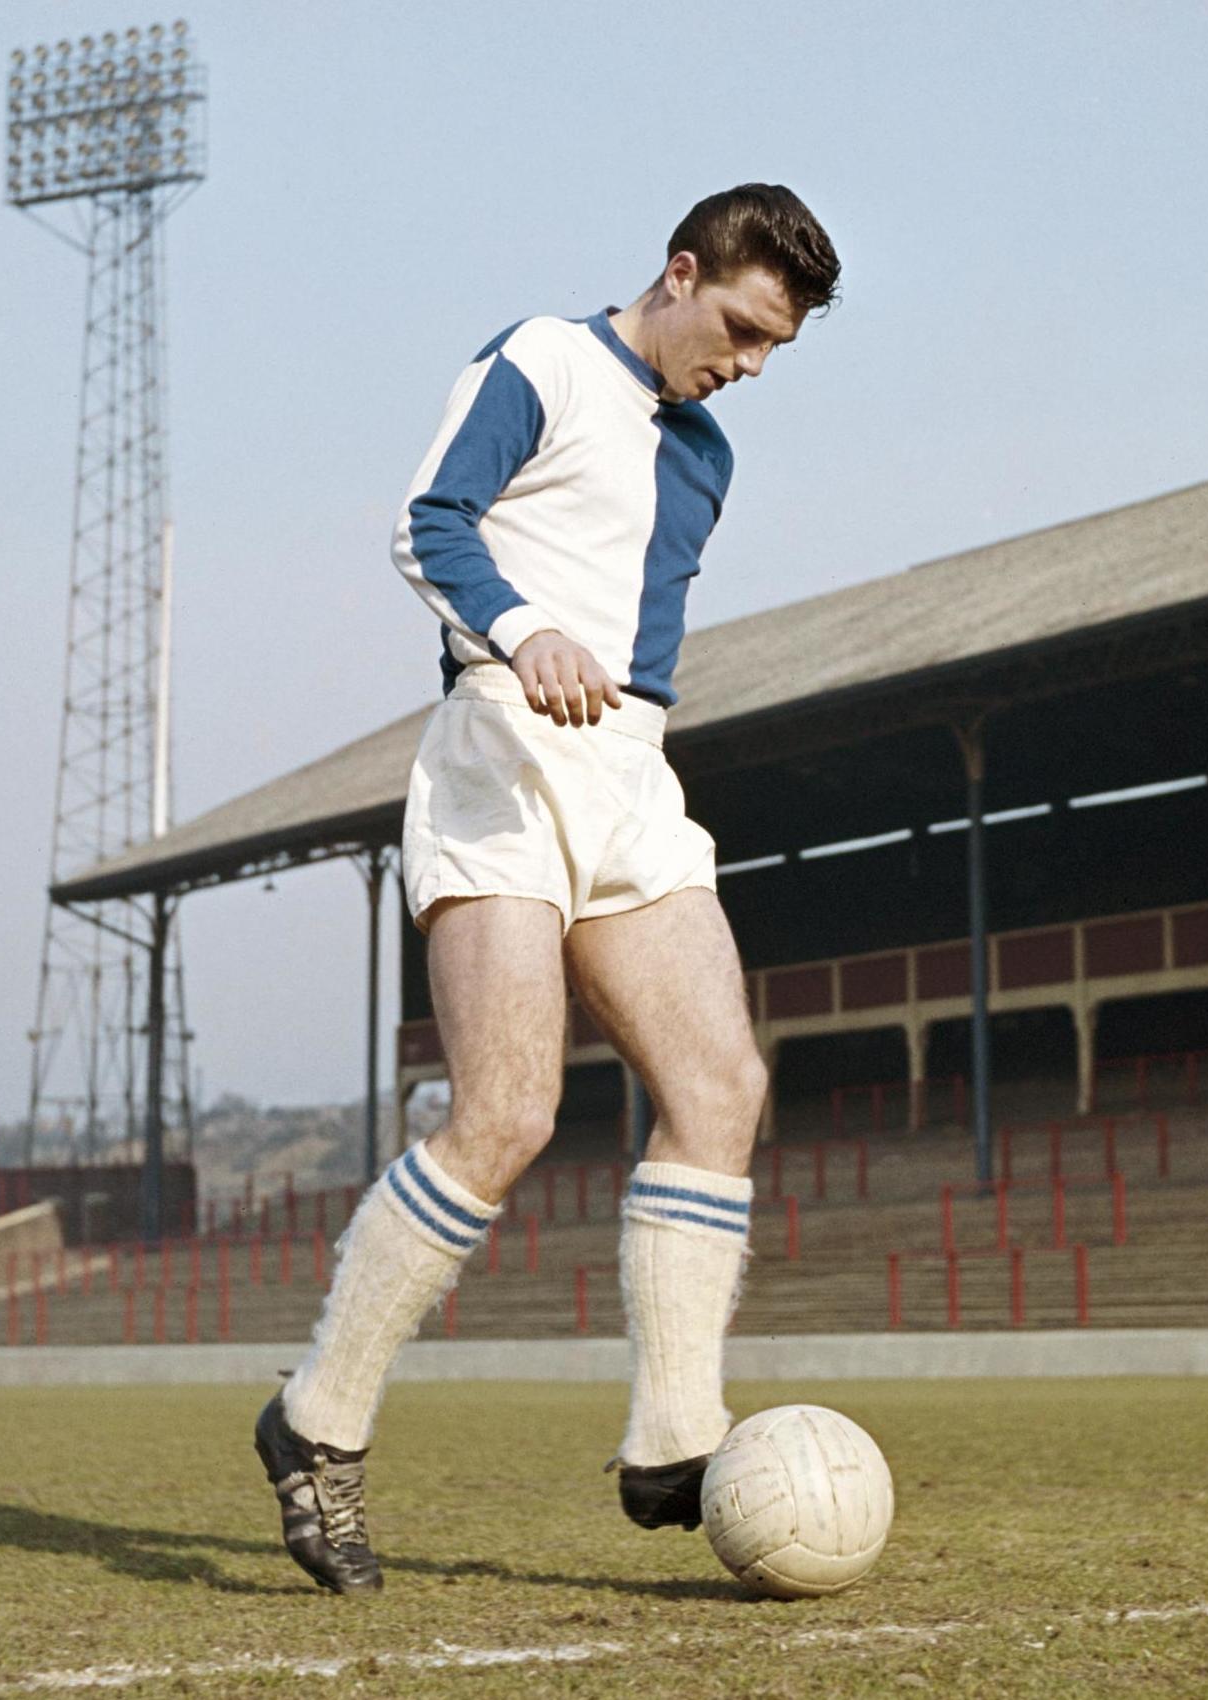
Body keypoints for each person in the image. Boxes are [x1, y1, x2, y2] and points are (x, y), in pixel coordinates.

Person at [254, 184, 842, 1593]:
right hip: (502, 751)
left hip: (630, 772)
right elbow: (425, 520)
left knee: (720, 1092)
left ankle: (670, 1440)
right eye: (743, 328)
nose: (749, 365)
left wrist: (605, 691)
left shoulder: (707, 455)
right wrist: (523, 636)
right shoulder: (541, 359)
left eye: (776, 350)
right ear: (681, 270)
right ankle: (315, 1423)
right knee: (508, 1112)